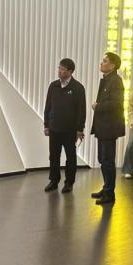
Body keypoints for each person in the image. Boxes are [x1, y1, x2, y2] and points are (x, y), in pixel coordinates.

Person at [43, 58, 86, 194]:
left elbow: (81, 110)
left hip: (70, 130)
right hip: (54, 128)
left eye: (63, 69)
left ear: (70, 71)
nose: (60, 71)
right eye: (59, 68)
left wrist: (80, 129)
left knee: (70, 157)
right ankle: (54, 180)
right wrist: (46, 125)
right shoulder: (53, 86)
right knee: (53, 156)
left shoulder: (78, 88)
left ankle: (69, 183)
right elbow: (48, 107)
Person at [90, 52, 125, 205]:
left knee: (108, 161)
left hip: (109, 127)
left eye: (105, 61)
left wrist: (98, 106)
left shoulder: (116, 81)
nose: (101, 63)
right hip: (103, 126)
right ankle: (106, 188)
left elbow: (116, 103)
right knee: (103, 160)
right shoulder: (106, 80)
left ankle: (110, 193)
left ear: (113, 65)